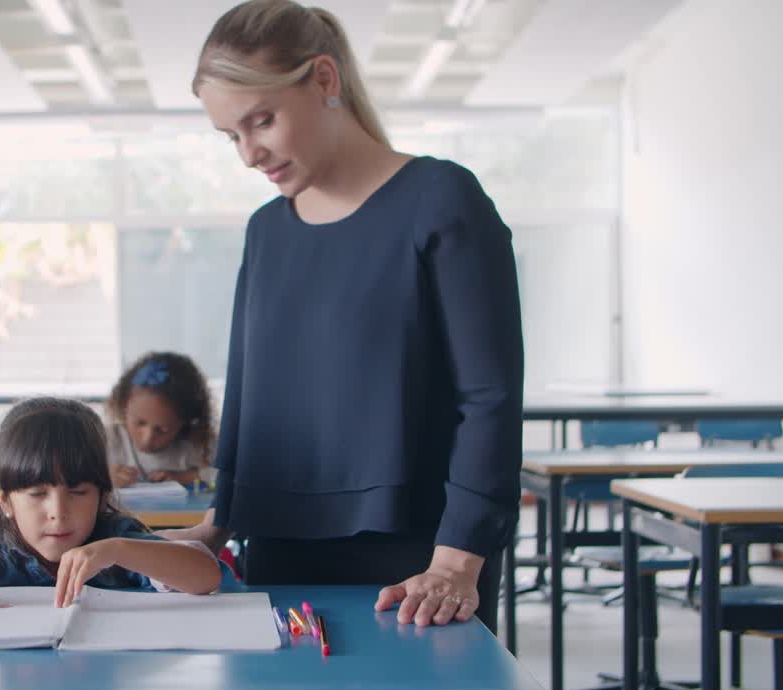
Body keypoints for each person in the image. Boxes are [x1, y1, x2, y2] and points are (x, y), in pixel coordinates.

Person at [161, 0, 524, 634]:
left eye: (262, 120)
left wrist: (457, 560)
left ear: (325, 80)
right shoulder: (266, 230)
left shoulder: (440, 199)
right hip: (276, 542)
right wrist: (219, 523)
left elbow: (490, 397)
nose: (249, 153)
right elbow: (250, 393)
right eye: (231, 136)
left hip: (419, 560)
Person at [0, 397, 221, 609]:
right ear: (5, 499)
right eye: (36, 493)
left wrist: (119, 550)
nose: (58, 510)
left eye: (78, 492)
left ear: (102, 494)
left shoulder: (114, 538)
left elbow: (206, 573)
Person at [104, 352, 217, 489]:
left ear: (186, 423)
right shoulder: (107, 441)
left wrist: (189, 477)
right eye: (139, 423)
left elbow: (225, 479)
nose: (147, 439)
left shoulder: (198, 445)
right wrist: (104, 478)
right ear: (124, 407)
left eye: (163, 430)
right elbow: (75, 479)